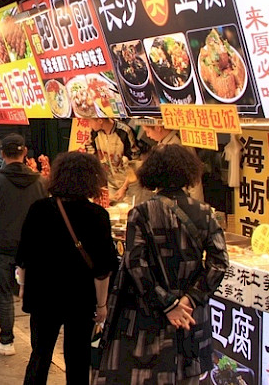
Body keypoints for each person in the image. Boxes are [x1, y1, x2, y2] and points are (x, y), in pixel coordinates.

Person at [95, 144, 229, 385]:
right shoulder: (205, 213)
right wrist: (189, 300)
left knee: (148, 376)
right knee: (187, 375)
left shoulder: (141, 213)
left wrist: (168, 304)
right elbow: (219, 264)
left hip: (149, 316)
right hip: (191, 316)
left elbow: (136, 264)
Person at [17, 151, 117, 385]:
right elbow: (103, 269)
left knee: (40, 354)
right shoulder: (98, 215)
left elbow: (24, 255)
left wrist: (22, 286)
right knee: (79, 358)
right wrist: (102, 305)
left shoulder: (39, 209)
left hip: (43, 295)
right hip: (80, 299)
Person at [0, 134, 47, 356]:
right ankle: (40, 345)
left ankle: (6, 342)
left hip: (3, 246)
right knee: (37, 294)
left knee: (5, 294)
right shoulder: (39, 181)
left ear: (3, 154)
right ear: (24, 152)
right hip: (34, 246)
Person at [141, 125, 204, 203]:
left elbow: (194, 180)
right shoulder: (162, 143)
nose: (147, 135)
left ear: (158, 128)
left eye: (148, 131)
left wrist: (197, 204)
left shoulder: (178, 144)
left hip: (181, 200)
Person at [85, 118, 139, 197]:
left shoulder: (124, 132)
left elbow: (134, 162)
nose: (89, 125)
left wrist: (124, 187)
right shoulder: (94, 133)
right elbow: (91, 155)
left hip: (130, 184)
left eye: (90, 121)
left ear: (100, 121)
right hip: (111, 183)